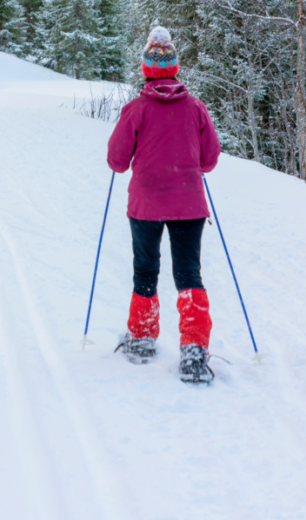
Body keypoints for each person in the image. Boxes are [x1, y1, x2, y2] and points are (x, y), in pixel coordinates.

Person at [107, 26, 221, 383]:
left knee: (145, 269)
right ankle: (194, 351)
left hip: (146, 204)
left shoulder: (136, 109)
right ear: (174, 68)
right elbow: (209, 160)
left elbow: (116, 161)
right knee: (189, 273)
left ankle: (142, 339)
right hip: (189, 204)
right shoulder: (196, 108)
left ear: (147, 69)